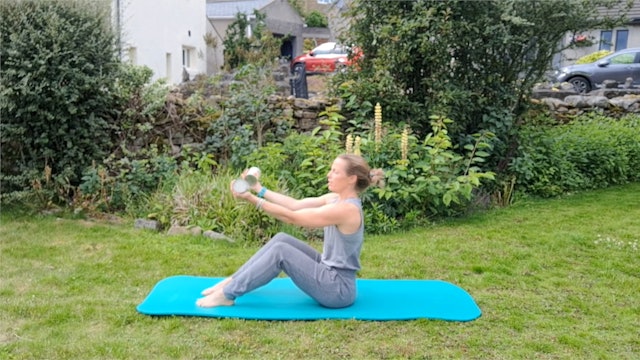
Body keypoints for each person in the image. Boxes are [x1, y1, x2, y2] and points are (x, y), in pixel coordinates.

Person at [196, 154, 384, 309]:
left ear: (351, 179)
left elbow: (292, 218)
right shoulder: (335, 198)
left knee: (281, 252)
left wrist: (251, 200)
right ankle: (231, 281)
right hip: (328, 270)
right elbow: (296, 205)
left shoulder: (347, 210)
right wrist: (259, 189)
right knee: (282, 240)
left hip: (337, 288)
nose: (329, 175)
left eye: (335, 172)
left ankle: (227, 294)